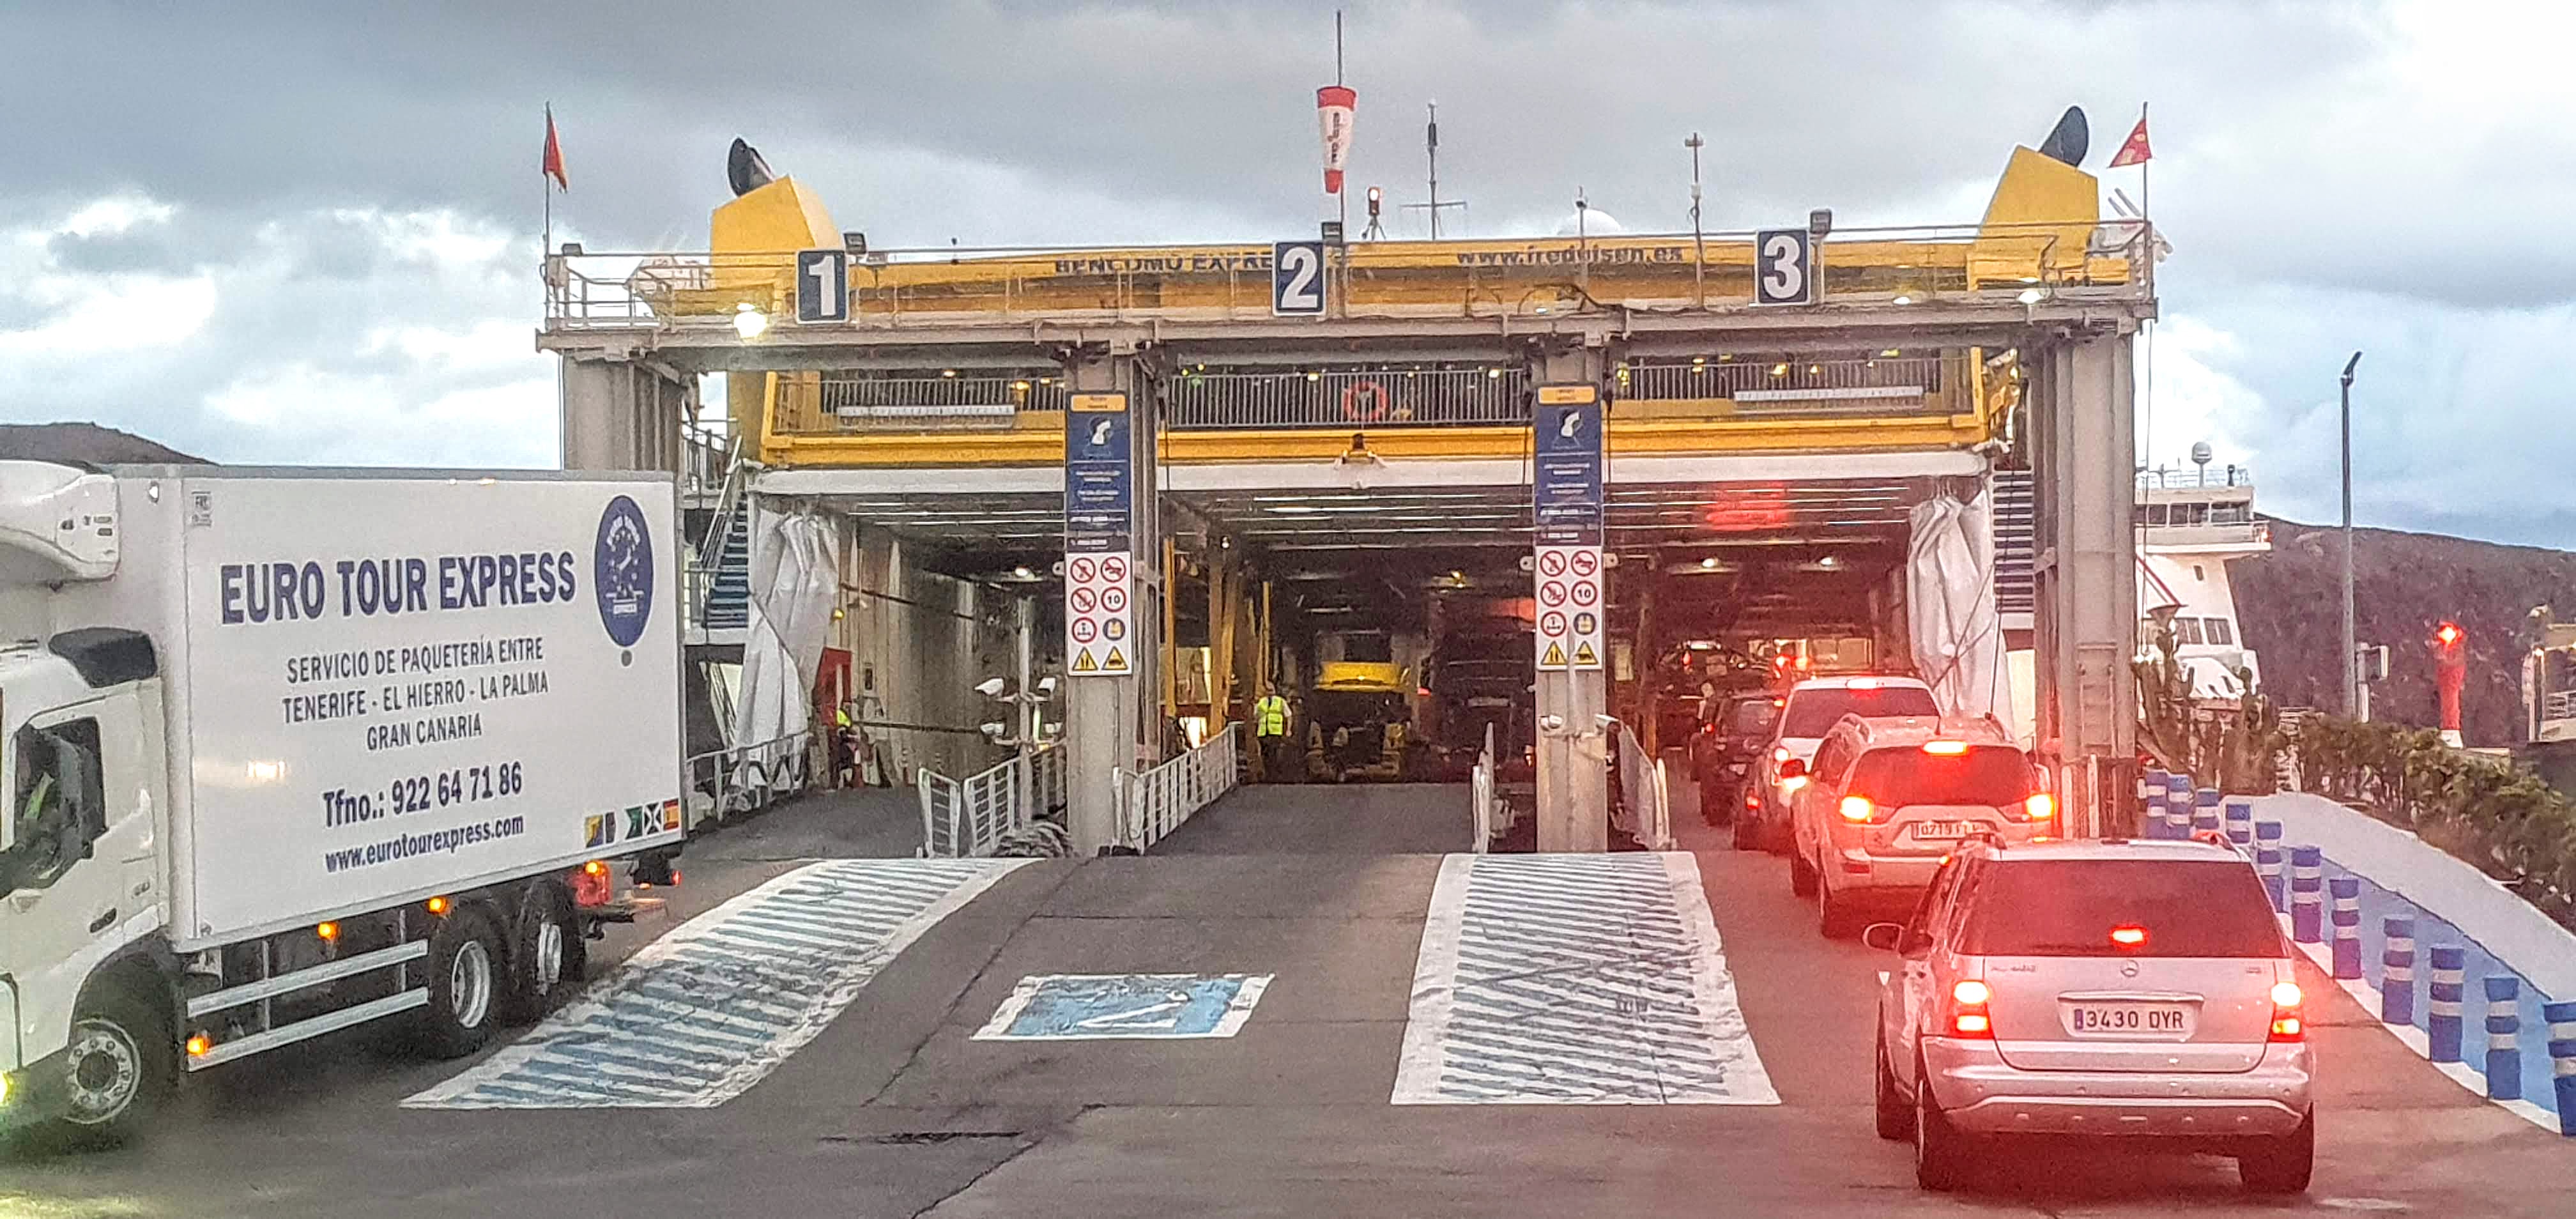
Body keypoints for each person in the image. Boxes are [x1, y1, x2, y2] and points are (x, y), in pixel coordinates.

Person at [1254, 687, 1294, 782]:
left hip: (1275, 732)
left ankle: (1274, 775)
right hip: (1263, 733)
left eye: (1271, 690)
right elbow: (1255, 716)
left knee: (1274, 754)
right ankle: (1267, 775)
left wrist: (1289, 730)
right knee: (1265, 755)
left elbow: (1289, 716)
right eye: (1268, 690)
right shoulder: (1261, 702)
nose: (1270, 692)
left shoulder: (1280, 702)